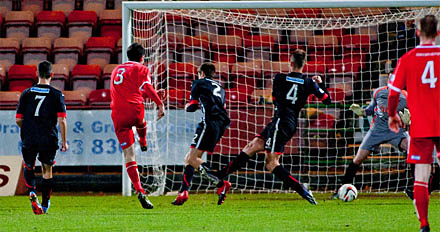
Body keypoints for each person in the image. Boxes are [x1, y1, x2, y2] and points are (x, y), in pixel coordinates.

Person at [208, 49, 331, 205]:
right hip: (288, 122)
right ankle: (219, 175)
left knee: (272, 163)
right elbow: (327, 100)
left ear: (290, 62)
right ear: (304, 64)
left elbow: (274, 98)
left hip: (280, 121)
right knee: (253, 145)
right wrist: (320, 84)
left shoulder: (279, 78)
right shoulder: (309, 83)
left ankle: (302, 189)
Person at [388, 15, 440, 232]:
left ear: (417, 32)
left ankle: (424, 225)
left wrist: (392, 115)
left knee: (421, 175)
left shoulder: (408, 58)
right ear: (437, 33)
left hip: (421, 126)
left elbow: (393, 93)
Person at [110, 43, 165, 209]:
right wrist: (160, 104)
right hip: (134, 108)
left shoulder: (116, 70)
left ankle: (139, 189)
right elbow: (146, 87)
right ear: (142, 57)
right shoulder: (141, 68)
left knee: (129, 154)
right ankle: (143, 140)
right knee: (141, 122)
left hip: (117, 113)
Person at [331, 85, 410, 199]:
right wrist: (362, 112)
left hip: (396, 131)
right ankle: (341, 190)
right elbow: (371, 109)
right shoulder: (378, 92)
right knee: (358, 158)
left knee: (413, 151)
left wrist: (409, 121)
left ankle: (415, 189)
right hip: (376, 131)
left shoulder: (406, 96)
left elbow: (414, 114)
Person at [172, 62, 231, 206]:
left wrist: (186, 106)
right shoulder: (220, 88)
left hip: (209, 123)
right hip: (221, 124)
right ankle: (183, 192)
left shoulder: (198, 83)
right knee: (189, 157)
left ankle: (220, 182)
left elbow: (192, 106)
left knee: (192, 159)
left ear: (202, 73)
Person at [16, 60, 68, 214]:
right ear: (52, 75)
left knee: (29, 166)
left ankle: (32, 192)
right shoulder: (57, 95)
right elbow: (62, 120)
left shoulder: (26, 93)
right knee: (47, 170)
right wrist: (64, 142)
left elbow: (18, 119)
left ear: (36, 74)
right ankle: (44, 205)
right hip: (48, 137)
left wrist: (28, 129)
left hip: (29, 137)